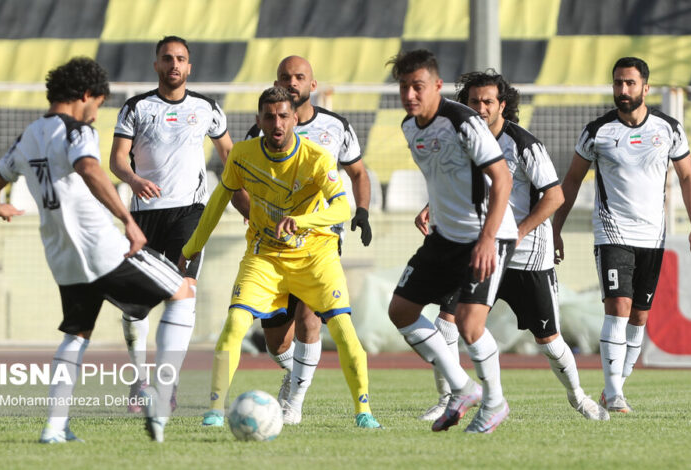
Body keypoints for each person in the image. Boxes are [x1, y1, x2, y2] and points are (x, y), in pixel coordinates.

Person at [0, 57, 195, 443]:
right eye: (97, 105)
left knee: (77, 334)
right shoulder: (77, 130)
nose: (96, 114)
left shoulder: (26, 137)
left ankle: (54, 427)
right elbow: (90, 168)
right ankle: (160, 398)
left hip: (62, 257)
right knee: (183, 293)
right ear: (85, 96)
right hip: (102, 247)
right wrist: (128, 222)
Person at [415, 70, 608, 422]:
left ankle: (578, 396)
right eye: (474, 101)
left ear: (502, 104)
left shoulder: (524, 144)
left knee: (549, 341)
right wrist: (432, 206)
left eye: (488, 101)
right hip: (479, 249)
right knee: (447, 318)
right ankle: (448, 399)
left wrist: (517, 233)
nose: (481, 107)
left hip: (526, 256)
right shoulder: (460, 139)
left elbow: (554, 196)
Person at [200, 55, 379, 429]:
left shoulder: (335, 128)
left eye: (300, 76)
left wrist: (361, 211)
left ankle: (295, 401)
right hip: (269, 249)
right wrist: (260, 216)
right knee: (277, 342)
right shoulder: (257, 137)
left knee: (311, 320)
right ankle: (295, 373)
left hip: (319, 243)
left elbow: (357, 173)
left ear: (313, 85)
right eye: (285, 76)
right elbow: (238, 184)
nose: (293, 82)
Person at [552, 57, 691, 413]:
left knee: (639, 316)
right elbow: (571, 181)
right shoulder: (597, 132)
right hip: (612, 232)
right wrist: (555, 229)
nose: (623, 90)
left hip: (653, 237)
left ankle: (615, 387)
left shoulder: (669, 129)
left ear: (645, 88)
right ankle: (614, 392)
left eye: (630, 83)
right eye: (618, 83)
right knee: (618, 308)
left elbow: (687, 177)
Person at [386, 50, 518, 434]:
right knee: (401, 311)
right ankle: (462, 387)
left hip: (486, 235)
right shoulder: (409, 128)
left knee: (468, 324)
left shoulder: (464, 122)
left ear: (437, 86)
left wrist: (488, 238)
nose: (410, 94)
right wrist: (433, 207)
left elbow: (502, 179)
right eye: (404, 87)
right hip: (445, 236)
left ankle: (494, 404)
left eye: (418, 86)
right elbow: (450, 175)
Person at [109, 35, 233, 413]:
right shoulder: (137, 108)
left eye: (180, 59)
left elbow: (229, 156)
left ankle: (167, 385)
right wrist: (132, 180)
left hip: (190, 212)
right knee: (135, 309)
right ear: (156, 65)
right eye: (167, 58)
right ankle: (140, 380)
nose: (174, 64)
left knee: (184, 292)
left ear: (189, 67)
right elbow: (117, 159)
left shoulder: (207, 108)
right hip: (144, 216)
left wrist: (241, 200)